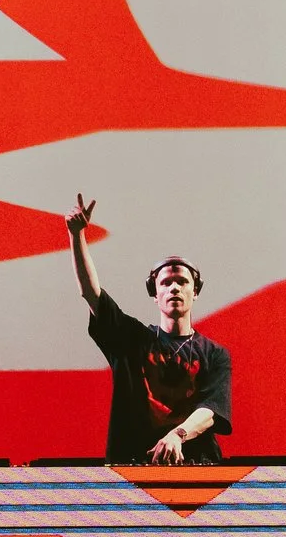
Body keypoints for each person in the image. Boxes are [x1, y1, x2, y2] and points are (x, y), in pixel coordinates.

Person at [67, 193, 233, 464]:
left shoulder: (214, 354)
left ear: (195, 291)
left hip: (197, 468)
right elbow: (90, 293)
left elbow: (211, 410)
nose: (174, 287)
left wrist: (177, 435)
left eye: (182, 281)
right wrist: (76, 235)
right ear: (155, 294)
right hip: (132, 466)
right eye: (166, 283)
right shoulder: (132, 340)